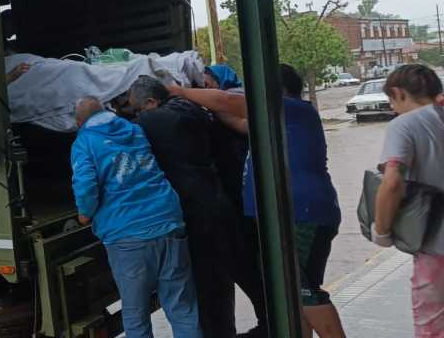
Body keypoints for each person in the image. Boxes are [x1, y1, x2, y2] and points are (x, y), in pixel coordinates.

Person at [169, 64, 346, 338]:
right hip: (294, 215)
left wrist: (179, 91)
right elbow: (237, 120)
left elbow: (227, 101)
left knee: (303, 290)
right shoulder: (278, 120)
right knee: (292, 294)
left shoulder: (293, 109)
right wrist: (211, 107)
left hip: (302, 214)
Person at [71, 97, 203, 338]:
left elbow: (86, 184)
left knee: (135, 314)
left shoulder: (85, 141)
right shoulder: (133, 129)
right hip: (167, 219)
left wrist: (85, 214)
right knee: (182, 307)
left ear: (79, 122)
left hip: (127, 234)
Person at [127, 76, 237, 338]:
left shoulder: (154, 121)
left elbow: (122, 131)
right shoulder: (190, 108)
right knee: (220, 285)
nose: (138, 115)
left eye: (139, 109)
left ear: (152, 102)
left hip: (194, 212)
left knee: (202, 288)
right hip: (215, 200)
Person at [370, 64, 444, 337]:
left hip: (437, 246)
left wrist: (382, 230)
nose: (392, 108)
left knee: (432, 324)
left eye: (392, 100)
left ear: (399, 93)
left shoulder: (405, 124)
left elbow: (392, 182)